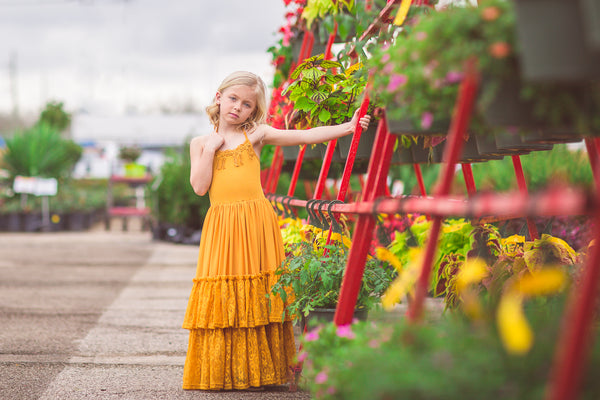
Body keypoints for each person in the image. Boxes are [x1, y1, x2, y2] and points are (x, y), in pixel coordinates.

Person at [182, 71, 371, 391]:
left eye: (246, 104)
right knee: (223, 291)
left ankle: (261, 372)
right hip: (222, 226)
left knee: (258, 293)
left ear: (253, 111)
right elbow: (200, 187)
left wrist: (349, 128)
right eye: (232, 99)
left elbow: (306, 136)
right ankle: (223, 372)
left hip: (255, 222)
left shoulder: (255, 135)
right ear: (219, 97)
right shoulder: (200, 143)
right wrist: (212, 148)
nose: (237, 108)